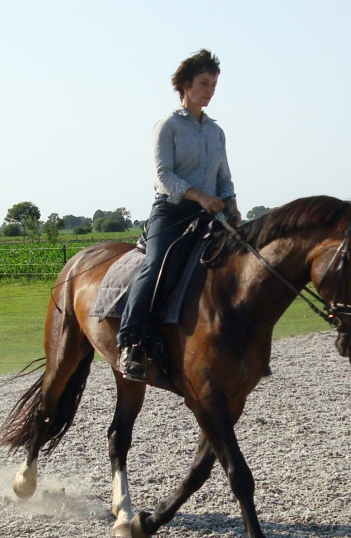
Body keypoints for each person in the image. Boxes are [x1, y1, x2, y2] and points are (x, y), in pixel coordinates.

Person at [117, 49, 241, 380]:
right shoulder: (167, 126)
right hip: (172, 213)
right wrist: (199, 195)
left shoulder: (216, 132)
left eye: (214, 84)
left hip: (211, 214)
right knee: (156, 265)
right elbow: (164, 176)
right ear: (185, 85)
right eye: (204, 83)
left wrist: (232, 207)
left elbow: (224, 179)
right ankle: (131, 342)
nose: (210, 90)